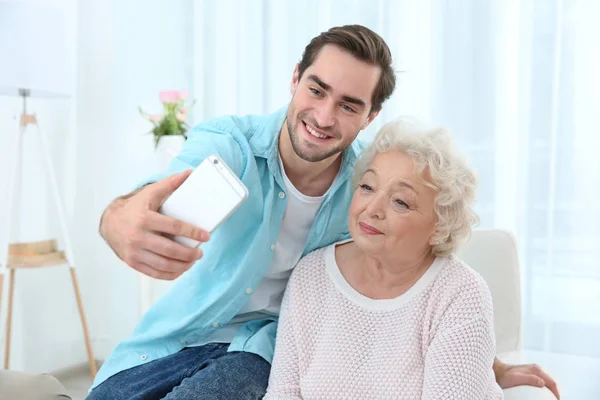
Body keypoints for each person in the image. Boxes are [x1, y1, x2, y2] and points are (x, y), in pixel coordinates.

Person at [87, 25, 560, 399]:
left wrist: (482, 361)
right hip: (173, 343)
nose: (325, 116)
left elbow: (420, 274)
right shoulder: (229, 145)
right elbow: (150, 197)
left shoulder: (368, 186)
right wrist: (119, 218)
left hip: (264, 354)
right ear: (295, 79)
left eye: (349, 105)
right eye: (317, 90)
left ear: (370, 116)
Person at [264, 118, 500, 399]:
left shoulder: (459, 293)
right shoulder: (311, 274)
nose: (372, 209)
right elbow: (283, 393)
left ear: (439, 227)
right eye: (367, 187)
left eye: (400, 202)